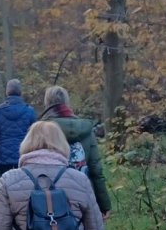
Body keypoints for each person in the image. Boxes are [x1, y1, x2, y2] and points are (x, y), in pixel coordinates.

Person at [40, 86, 112, 218]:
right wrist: (104, 204)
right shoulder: (85, 128)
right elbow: (96, 170)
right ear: (67, 102)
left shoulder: (39, 129)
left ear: (47, 103)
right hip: (82, 193)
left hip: (49, 197)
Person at [0, 79, 36, 178]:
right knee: (23, 184)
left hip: (3, 156)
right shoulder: (29, 111)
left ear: (7, 92)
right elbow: (35, 135)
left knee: (5, 184)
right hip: (23, 154)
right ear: (20, 92)